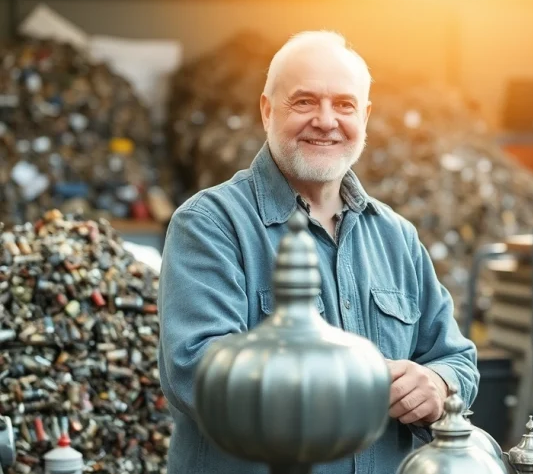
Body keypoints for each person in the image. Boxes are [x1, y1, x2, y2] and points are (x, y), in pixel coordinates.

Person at [157, 31, 479, 473]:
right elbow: (200, 372)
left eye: (344, 105)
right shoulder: (212, 224)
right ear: (267, 111)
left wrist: (438, 384)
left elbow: (456, 356)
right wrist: (357, 380)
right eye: (304, 102)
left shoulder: (396, 237)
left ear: (364, 116)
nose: (326, 121)